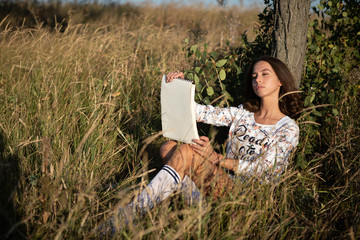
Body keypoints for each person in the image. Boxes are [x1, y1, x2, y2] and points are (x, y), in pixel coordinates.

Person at [102, 56, 303, 232]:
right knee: (168, 147)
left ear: (280, 81)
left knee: (185, 151)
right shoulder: (243, 113)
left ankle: (123, 218)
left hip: (245, 197)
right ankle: (200, 212)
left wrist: (216, 158)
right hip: (220, 181)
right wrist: (177, 87)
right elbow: (201, 113)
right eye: (254, 76)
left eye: (265, 74)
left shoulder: (288, 128)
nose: (257, 79)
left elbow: (267, 170)